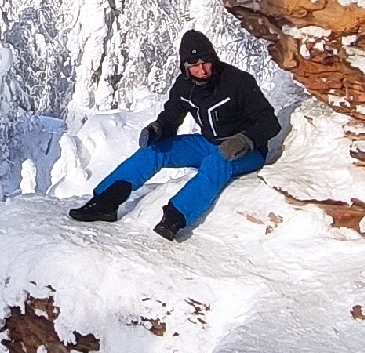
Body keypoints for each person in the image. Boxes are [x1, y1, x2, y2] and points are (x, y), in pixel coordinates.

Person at [67, 29, 280, 240]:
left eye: (206, 63)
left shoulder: (238, 82)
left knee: (216, 162)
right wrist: (158, 129)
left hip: (248, 151)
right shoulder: (184, 87)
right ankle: (104, 203)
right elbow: (171, 118)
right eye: (194, 66)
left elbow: (270, 123)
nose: (202, 70)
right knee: (155, 151)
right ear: (185, 67)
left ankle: (174, 218)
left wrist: (244, 139)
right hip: (208, 143)